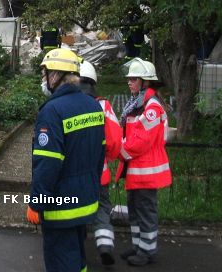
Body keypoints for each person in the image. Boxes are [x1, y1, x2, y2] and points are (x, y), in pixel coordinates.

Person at [27, 48, 105, 272]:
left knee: (62, 262)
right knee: (77, 259)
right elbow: (100, 154)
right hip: (86, 201)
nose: (44, 78)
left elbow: (47, 164)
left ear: (56, 75)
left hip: (61, 207)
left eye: (46, 73)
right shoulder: (93, 106)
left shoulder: (52, 111)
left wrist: (37, 203)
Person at [117, 58, 172, 267]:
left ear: (145, 82)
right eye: (129, 79)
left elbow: (141, 141)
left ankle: (148, 252)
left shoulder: (151, 107)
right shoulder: (140, 104)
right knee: (135, 209)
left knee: (146, 211)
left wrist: (119, 150)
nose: (129, 82)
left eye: (134, 79)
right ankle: (138, 245)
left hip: (146, 171)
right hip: (137, 170)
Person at [77, 59, 122, 267]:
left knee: (74, 207)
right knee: (102, 208)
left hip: (73, 173)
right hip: (99, 172)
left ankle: (76, 249)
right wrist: (108, 156)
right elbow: (114, 140)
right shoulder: (103, 104)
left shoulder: (69, 104)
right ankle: (105, 245)